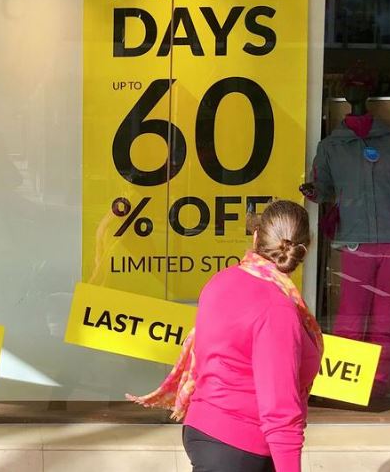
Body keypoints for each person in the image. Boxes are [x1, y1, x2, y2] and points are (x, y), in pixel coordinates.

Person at [128, 200, 324, 472]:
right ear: (304, 249)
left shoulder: (220, 282)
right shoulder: (278, 309)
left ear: (256, 237)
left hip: (205, 430)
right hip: (242, 446)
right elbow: (280, 409)